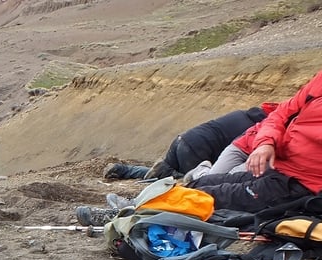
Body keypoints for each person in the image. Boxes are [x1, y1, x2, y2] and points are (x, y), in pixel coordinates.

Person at [78, 69, 322, 225]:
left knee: (210, 197)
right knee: (200, 184)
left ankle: (126, 215)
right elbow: (280, 113)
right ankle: (136, 204)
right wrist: (266, 143)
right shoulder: (318, 82)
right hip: (273, 166)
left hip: (297, 185)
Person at [103, 105, 272, 180]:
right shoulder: (254, 129)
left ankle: (125, 170)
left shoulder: (240, 115)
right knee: (191, 181)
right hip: (196, 151)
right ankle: (166, 174)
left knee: (165, 171)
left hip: (182, 140)